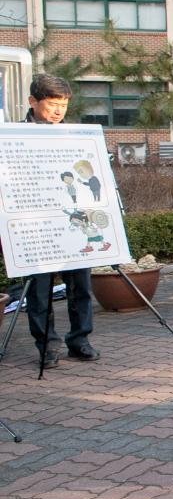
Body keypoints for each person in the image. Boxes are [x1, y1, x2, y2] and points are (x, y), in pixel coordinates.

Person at [22, 74, 98, 368]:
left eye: (63, 105)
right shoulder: (13, 136)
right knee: (39, 291)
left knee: (80, 286)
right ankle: (46, 345)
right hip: (36, 229)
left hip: (75, 225)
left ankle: (80, 340)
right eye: (52, 104)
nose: (58, 111)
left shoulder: (76, 138)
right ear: (33, 102)